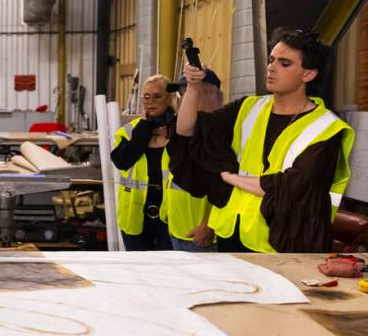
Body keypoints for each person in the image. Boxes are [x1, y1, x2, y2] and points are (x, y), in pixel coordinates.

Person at [176, 29, 354, 253]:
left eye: (284, 63)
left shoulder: (326, 128)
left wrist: (230, 177)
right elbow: (186, 129)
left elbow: (290, 188)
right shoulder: (249, 107)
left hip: (281, 240)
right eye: (271, 60)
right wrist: (193, 87)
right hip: (231, 231)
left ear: (308, 74)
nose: (271, 67)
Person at [110, 75, 176, 251]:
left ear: (170, 98)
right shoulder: (129, 131)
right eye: (146, 97)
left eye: (157, 96)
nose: (151, 102)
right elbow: (122, 161)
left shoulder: (180, 131)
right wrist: (144, 128)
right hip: (135, 216)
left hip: (170, 216)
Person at [162, 70, 224, 252]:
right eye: (181, 94)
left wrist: (209, 225)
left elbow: (223, 187)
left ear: (212, 94)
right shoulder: (184, 133)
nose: (182, 100)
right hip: (177, 229)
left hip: (200, 235)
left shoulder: (219, 133)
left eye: (190, 92)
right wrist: (167, 212)